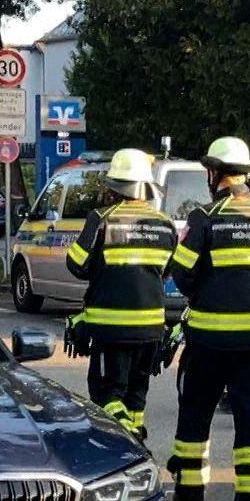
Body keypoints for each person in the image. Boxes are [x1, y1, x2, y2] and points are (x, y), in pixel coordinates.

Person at [166, 136, 250, 501]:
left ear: (213, 173)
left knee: (195, 416)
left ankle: (190, 500)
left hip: (207, 340)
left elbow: (182, 276)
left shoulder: (204, 217)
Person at [65, 148, 177, 440]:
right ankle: (132, 443)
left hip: (110, 329)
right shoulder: (164, 224)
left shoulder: (102, 218)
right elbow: (166, 272)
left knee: (106, 391)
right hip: (152, 329)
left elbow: (76, 265)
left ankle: (127, 434)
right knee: (136, 395)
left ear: (114, 187)